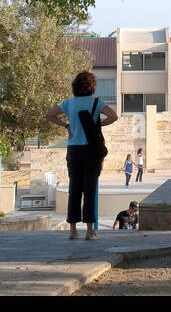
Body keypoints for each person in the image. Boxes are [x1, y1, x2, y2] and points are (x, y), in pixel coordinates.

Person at [44, 70, 117, 241]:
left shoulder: (69, 103)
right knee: (90, 189)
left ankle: (73, 230)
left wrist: (66, 126)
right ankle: (90, 231)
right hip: (92, 150)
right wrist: (98, 125)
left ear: (75, 87)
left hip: (74, 150)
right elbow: (113, 116)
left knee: (74, 189)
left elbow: (49, 115)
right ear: (92, 86)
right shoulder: (96, 102)